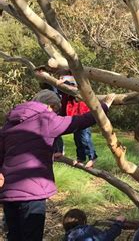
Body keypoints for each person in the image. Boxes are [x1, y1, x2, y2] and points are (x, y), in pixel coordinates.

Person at [0, 90, 106, 241]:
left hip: (9, 189)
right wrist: (105, 106)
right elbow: (80, 121)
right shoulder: (46, 119)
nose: (56, 114)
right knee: (31, 235)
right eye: (56, 110)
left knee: (14, 235)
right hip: (32, 190)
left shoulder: (11, 121)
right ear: (50, 106)